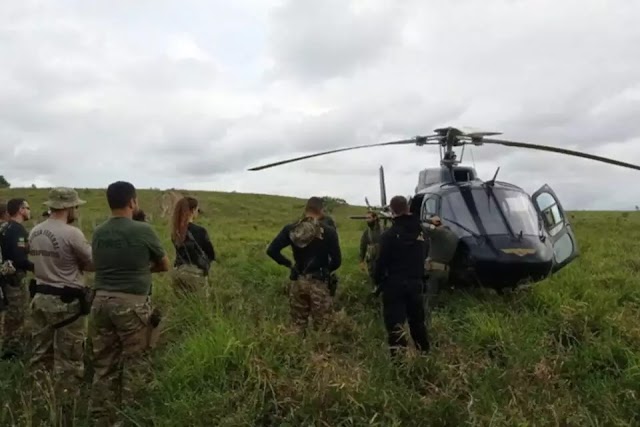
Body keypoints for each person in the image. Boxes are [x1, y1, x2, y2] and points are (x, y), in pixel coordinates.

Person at [88, 181, 170, 426]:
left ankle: (100, 418)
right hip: (131, 305)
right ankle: (130, 419)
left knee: (104, 366)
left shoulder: (98, 232)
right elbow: (165, 265)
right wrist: (142, 271)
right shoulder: (143, 230)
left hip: (100, 302)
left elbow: (98, 264)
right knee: (136, 365)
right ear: (132, 202)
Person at [27, 187, 94, 422]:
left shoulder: (35, 230)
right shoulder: (72, 233)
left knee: (41, 355)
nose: (76, 210)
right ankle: (66, 412)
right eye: (76, 206)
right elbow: (92, 262)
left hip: (40, 298)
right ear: (68, 207)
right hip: (66, 303)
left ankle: (38, 404)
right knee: (69, 359)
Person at [266, 196, 342, 334]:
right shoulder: (329, 231)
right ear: (321, 210)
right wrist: (326, 270)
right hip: (319, 283)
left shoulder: (292, 228)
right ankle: (321, 354)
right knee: (323, 329)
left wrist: (289, 264)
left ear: (306, 209)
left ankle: (295, 353)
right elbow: (337, 261)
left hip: (299, 282)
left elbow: (272, 251)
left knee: (297, 326)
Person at [373, 195, 430, 359]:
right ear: (408, 208)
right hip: (416, 283)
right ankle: (424, 355)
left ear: (392, 211)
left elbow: (380, 263)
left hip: (394, 285)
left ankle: (399, 363)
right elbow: (426, 252)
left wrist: (378, 282)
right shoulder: (422, 231)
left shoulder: (388, 236)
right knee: (418, 323)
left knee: (395, 325)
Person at [0, 197, 33, 360]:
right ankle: (12, 352)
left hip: (5, 277)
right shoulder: (18, 230)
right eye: (27, 207)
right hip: (15, 277)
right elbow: (19, 258)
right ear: (20, 209)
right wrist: (35, 267)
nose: (29, 211)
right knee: (17, 314)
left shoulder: (5, 228)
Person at [170, 196, 216, 297]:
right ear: (192, 210)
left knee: (181, 306)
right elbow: (211, 254)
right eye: (197, 209)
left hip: (178, 271)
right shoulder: (200, 231)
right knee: (201, 308)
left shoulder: (175, 232)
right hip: (195, 273)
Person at [421, 215, 459, 311]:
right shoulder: (454, 236)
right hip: (445, 272)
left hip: (433, 270)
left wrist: (429, 220)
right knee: (438, 299)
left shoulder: (438, 232)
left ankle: (427, 322)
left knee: (429, 301)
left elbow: (421, 225)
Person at [358, 211, 383, 288]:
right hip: (372, 260)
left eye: (369, 218)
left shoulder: (383, 230)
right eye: (366, 218)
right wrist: (361, 260)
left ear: (375, 218)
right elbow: (363, 246)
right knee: (373, 276)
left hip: (382, 259)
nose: (367, 220)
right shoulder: (366, 232)